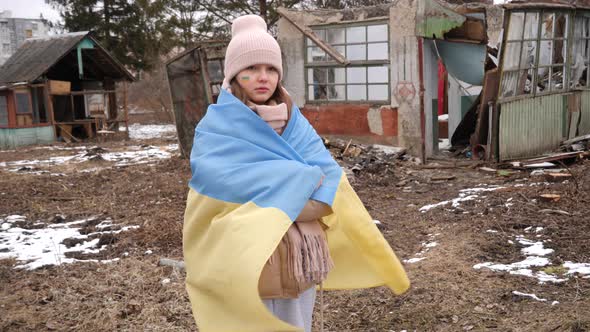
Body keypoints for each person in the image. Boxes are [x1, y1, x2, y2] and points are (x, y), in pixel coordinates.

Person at [183, 14, 409, 332]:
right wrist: (298, 179)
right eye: (251, 69)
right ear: (234, 75)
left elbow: (328, 178)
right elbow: (219, 185)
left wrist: (282, 193)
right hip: (248, 256)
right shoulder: (217, 128)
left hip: (301, 255)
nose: (263, 77)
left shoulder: (295, 123)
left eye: (271, 69)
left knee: (298, 322)